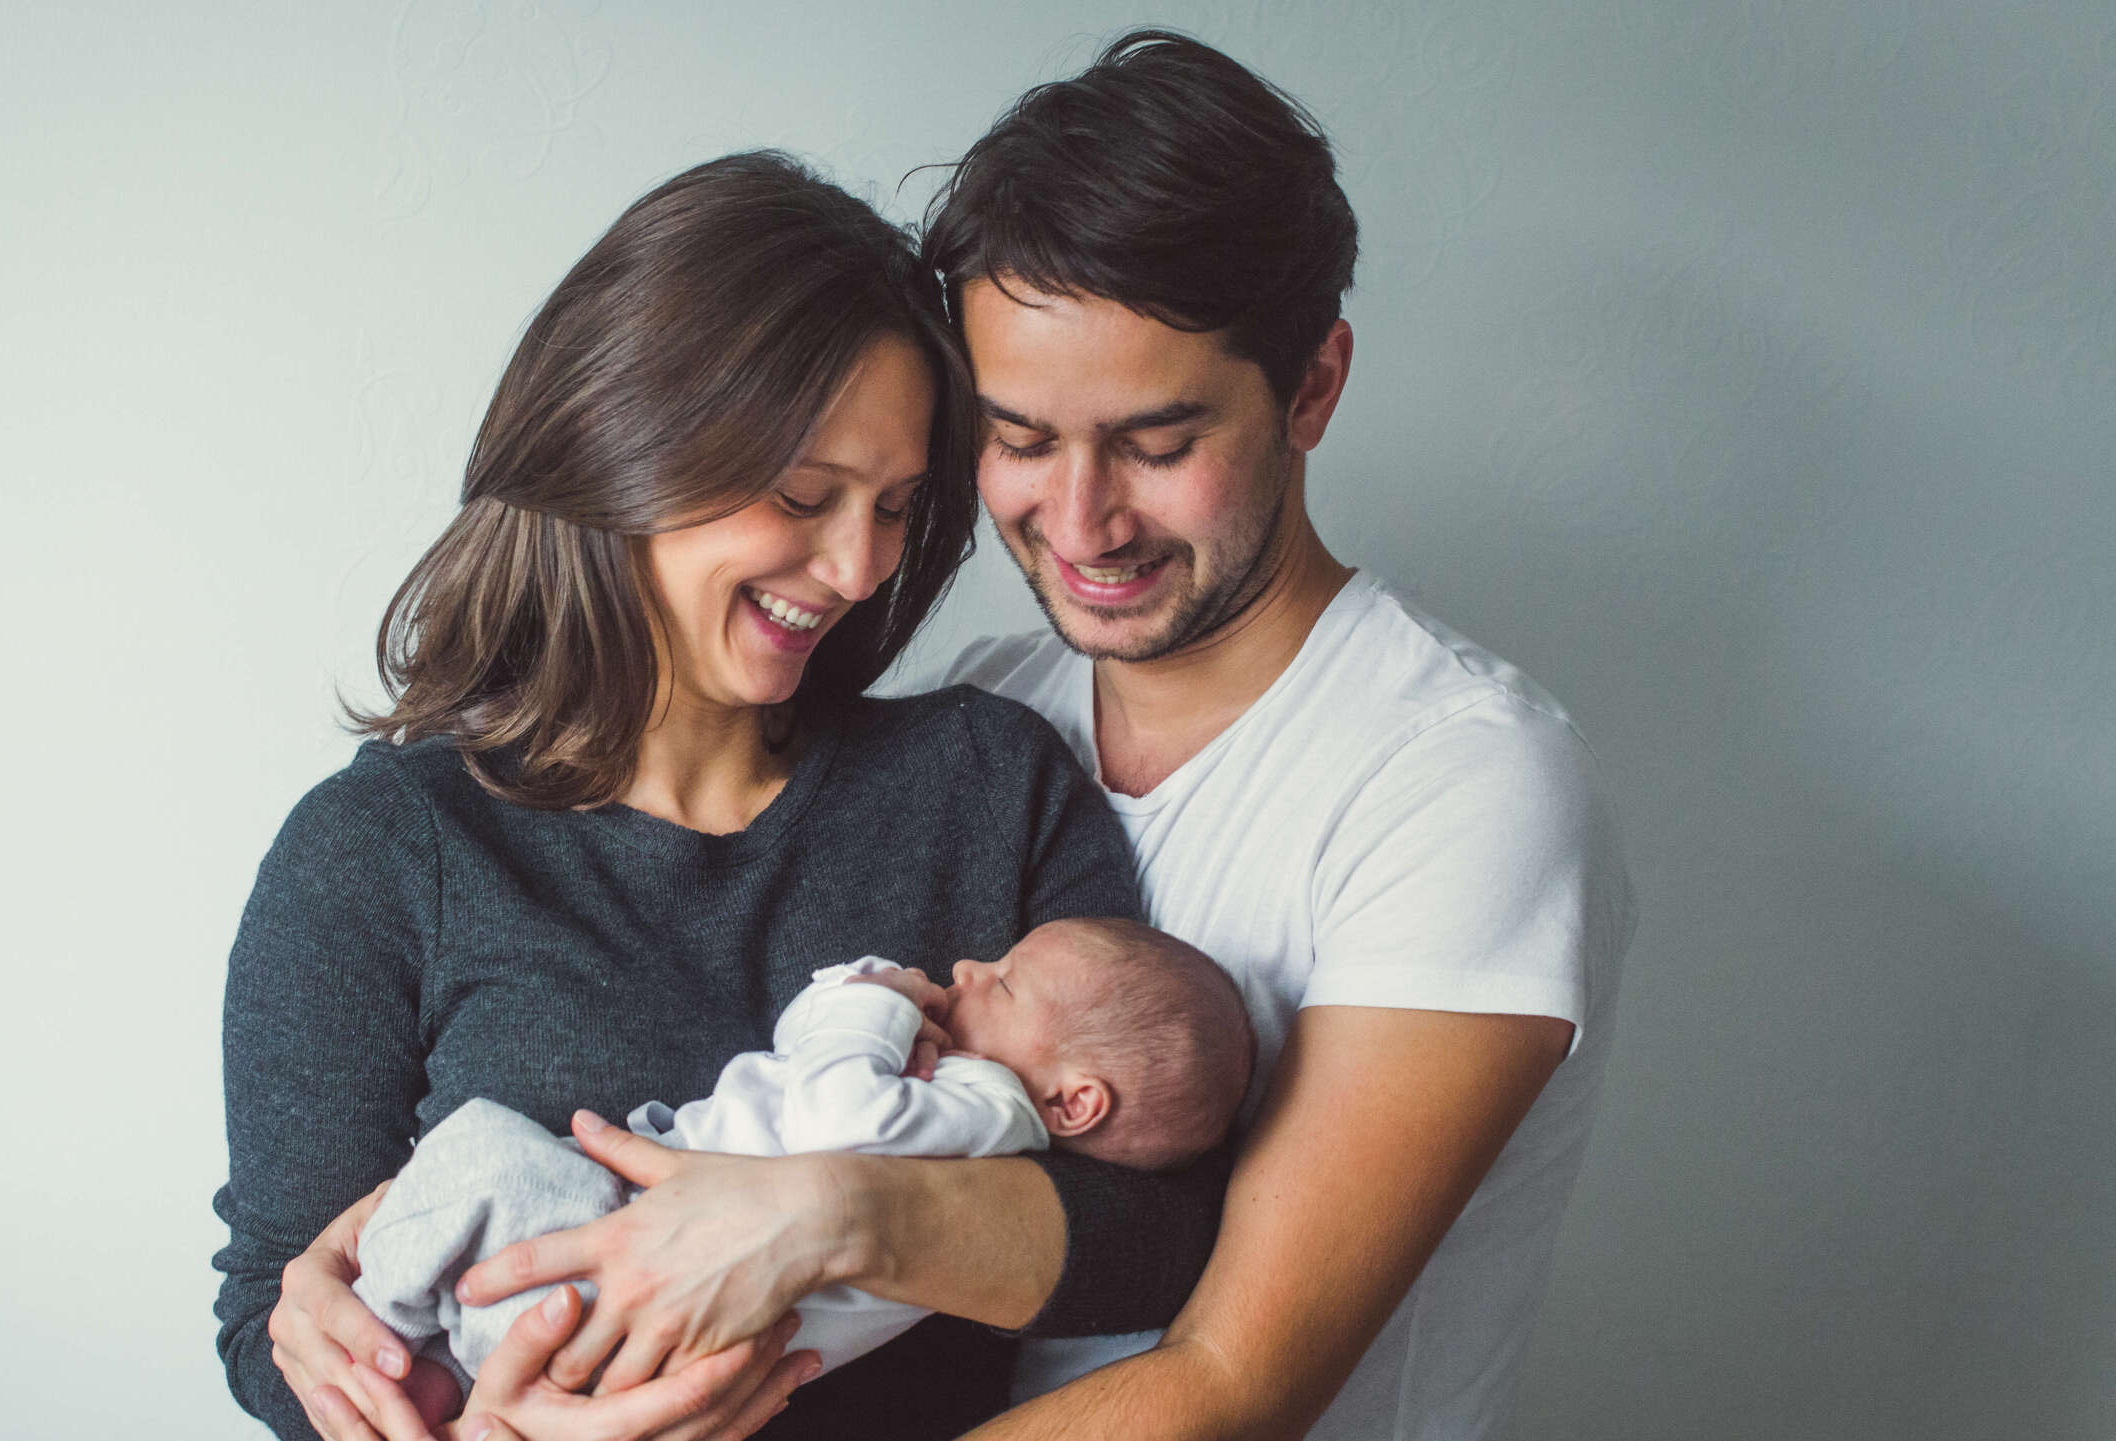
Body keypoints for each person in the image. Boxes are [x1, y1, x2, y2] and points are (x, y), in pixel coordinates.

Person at [276, 30, 1635, 1441]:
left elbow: (1229, 1374)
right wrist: (333, 1319)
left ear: (1311, 388)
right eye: (1020, 438)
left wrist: (834, 1216)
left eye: (1158, 443)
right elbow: (293, 1285)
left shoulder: (1456, 777)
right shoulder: (996, 714)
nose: (1082, 519)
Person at [210, 150, 1234, 1441]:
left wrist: (823, 1219)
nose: (860, 567)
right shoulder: (383, 850)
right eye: (805, 497)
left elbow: (1161, 1231)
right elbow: (274, 1313)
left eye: (899, 510)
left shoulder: (985, 780)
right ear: (621, 444)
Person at [350, 921, 1254, 1389]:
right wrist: (868, 993)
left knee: (481, 1144)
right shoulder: (955, 1102)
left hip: (617, 1277)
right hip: (606, 1310)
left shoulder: (992, 1110)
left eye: (1007, 980)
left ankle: (378, 1326)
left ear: (1073, 1101)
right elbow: (806, 1040)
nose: (971, 969)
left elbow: (831, 1111)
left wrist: (881, 1006)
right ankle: (417, 1367)